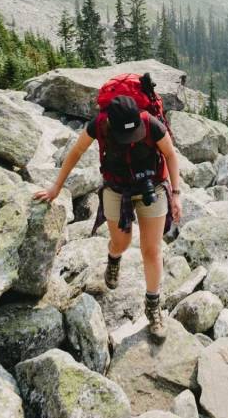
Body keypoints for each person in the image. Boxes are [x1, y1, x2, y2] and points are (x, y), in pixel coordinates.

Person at [35, 94, 183, 338]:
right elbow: (76, 152)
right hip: (116, 189)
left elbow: (170, 155)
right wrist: (56, 188)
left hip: (152, 186)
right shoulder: (99, 124)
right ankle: (113, 257)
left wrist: (176, 193)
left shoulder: (150, 124)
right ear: (110, 124)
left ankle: (153, 307)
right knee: (121, 242)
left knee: (152, 249)